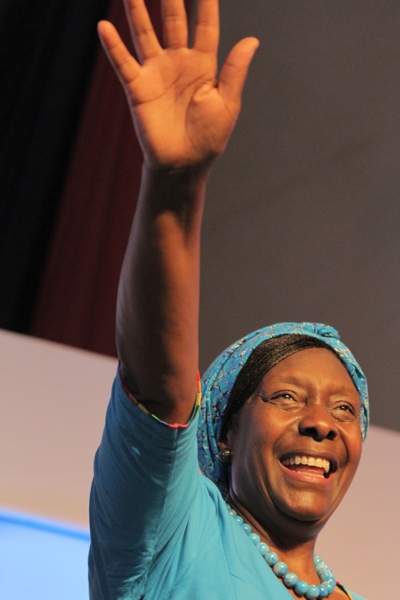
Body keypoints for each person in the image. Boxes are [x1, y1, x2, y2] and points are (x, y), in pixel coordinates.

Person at [89, 1, 369, 599]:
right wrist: (174, 185)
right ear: (225, 432)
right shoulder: (171, 532)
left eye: (346, 410)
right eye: (288, 397)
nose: (321, 423)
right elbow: (158, 389)